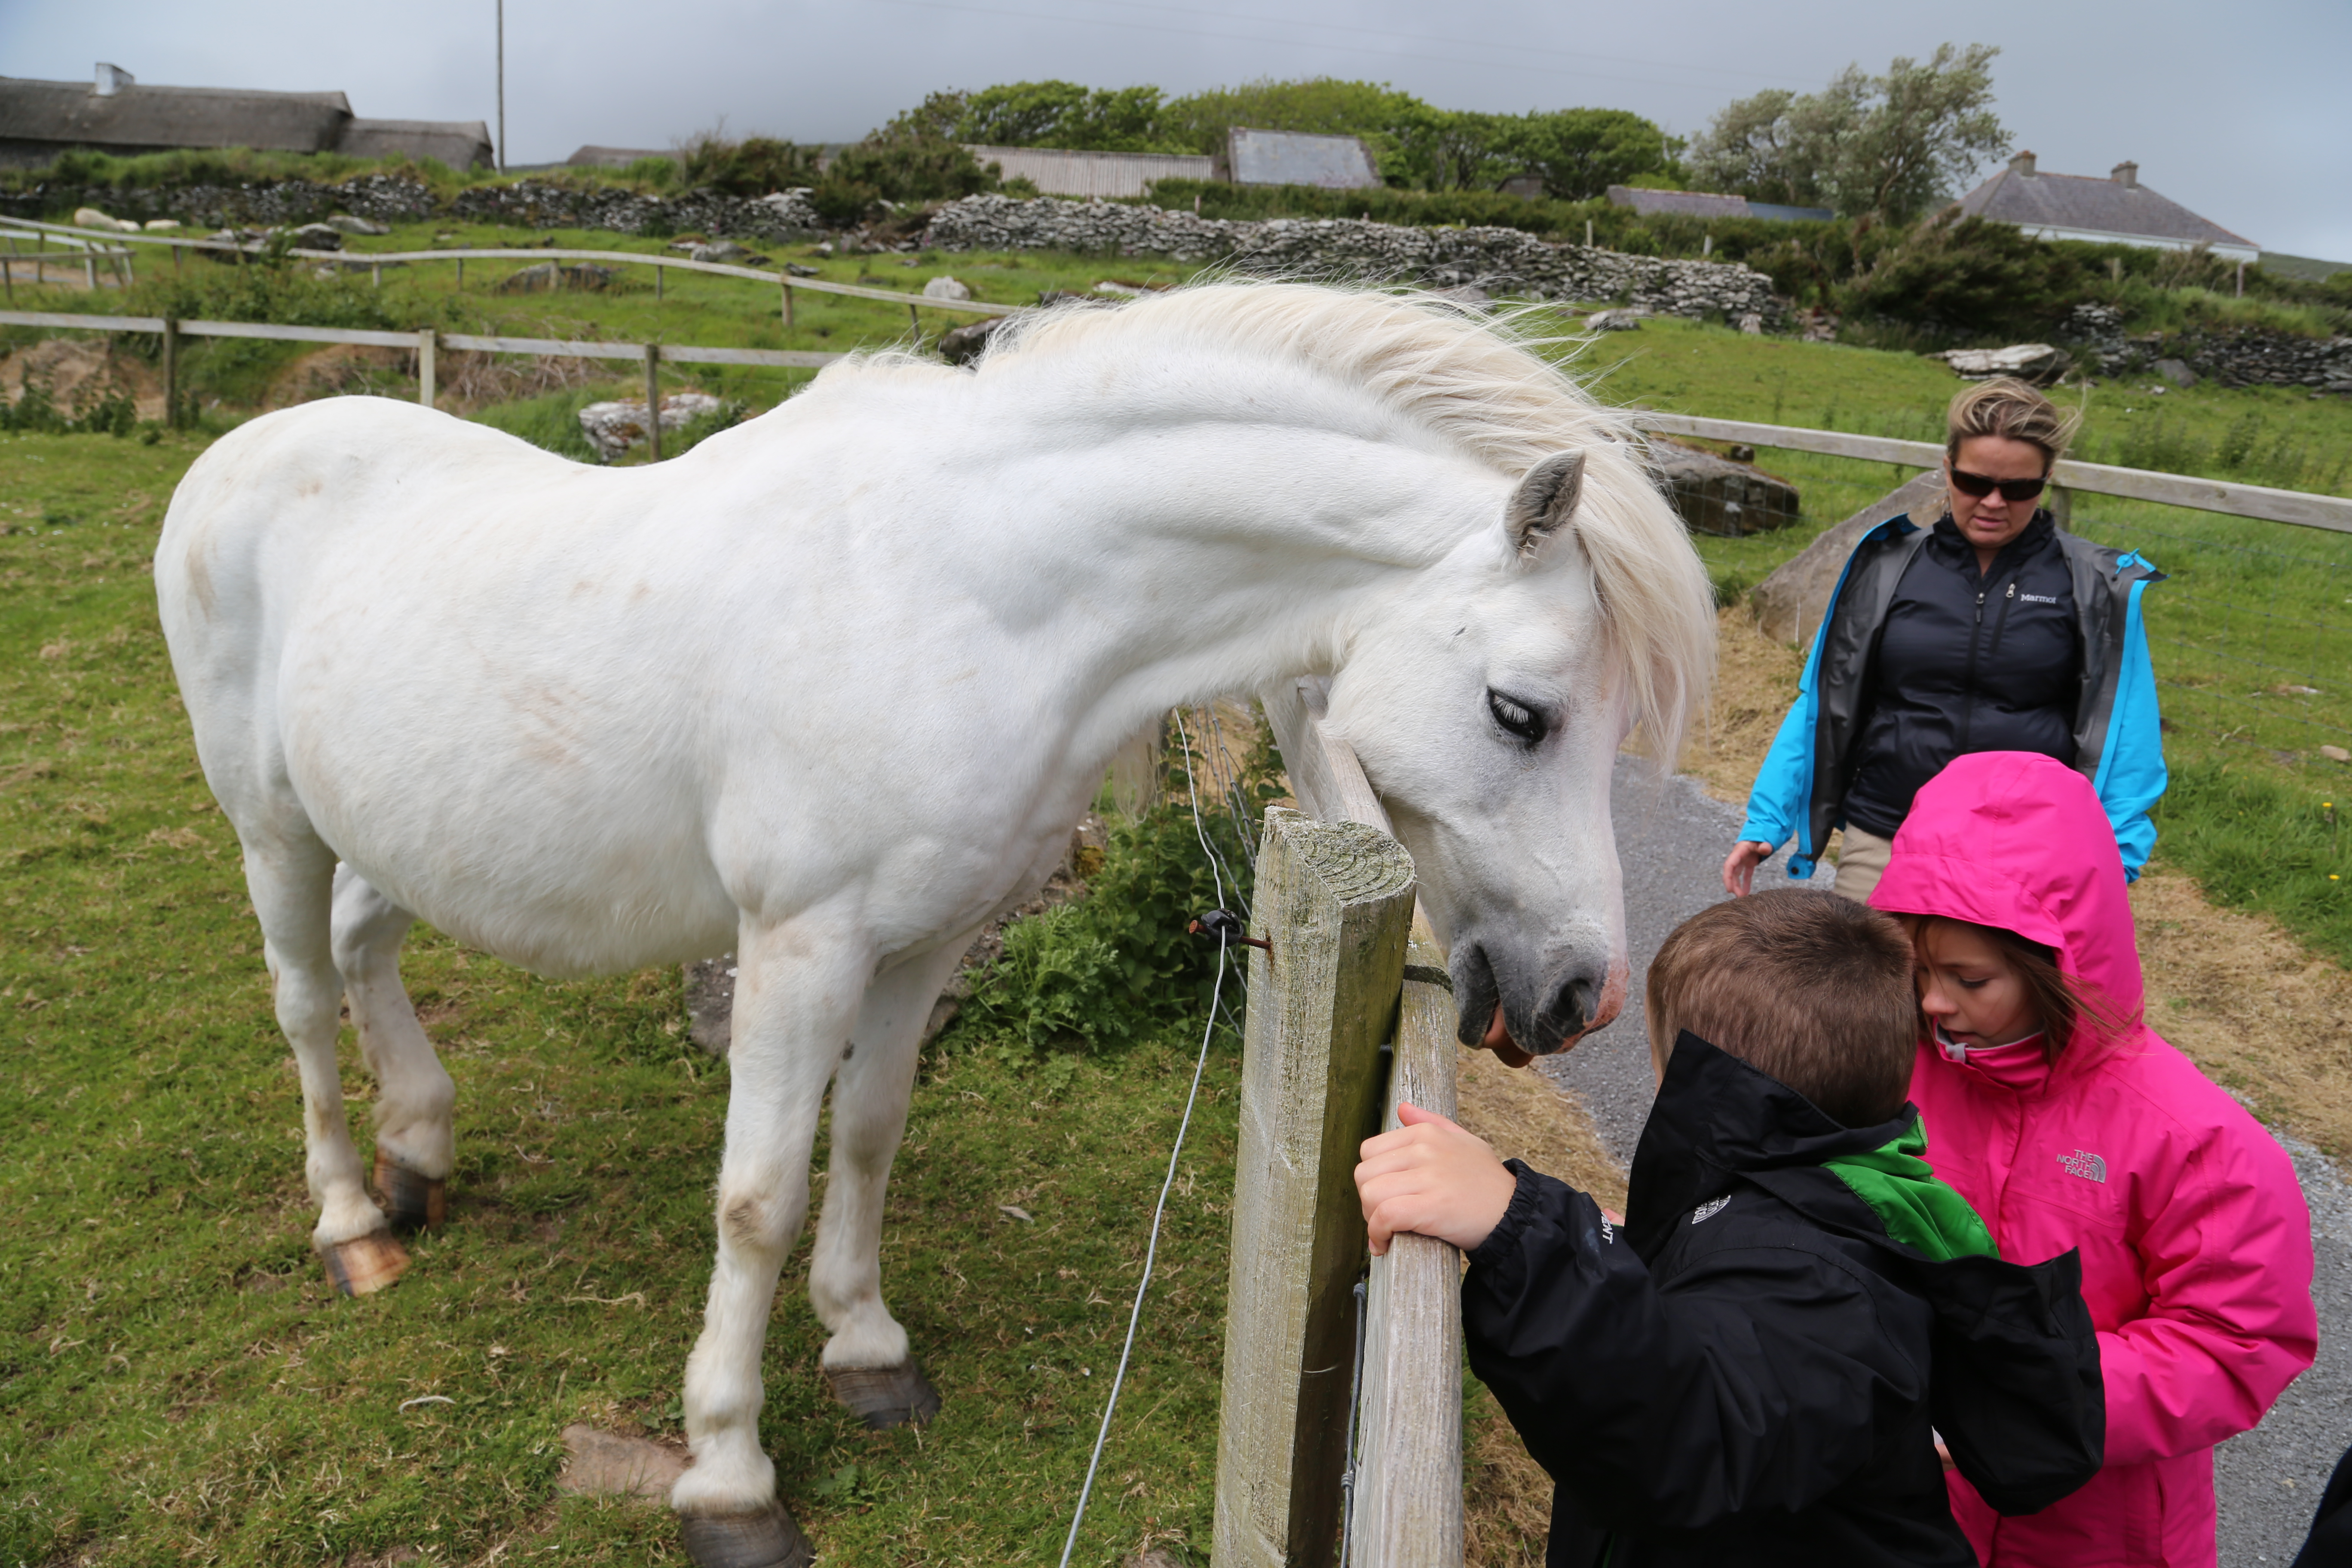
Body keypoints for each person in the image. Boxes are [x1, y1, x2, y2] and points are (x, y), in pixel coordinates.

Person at [1354, 889, 2103, 1567]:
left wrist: (1527, 1228)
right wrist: (1638, 1256)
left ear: (1696, 1081)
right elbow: (1726, 1322)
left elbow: (1688, 1434)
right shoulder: (1825, 1202)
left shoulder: (1820, 1281)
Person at [1870, 750, 2318, 1567]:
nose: (1935, 1003)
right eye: (1920, 970)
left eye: (1969, 978)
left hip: (2099, 1531)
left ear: (2053, 965)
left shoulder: (2192, 1138)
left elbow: (2235, 1339)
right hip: (1916, 1508)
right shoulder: (1898, 1070)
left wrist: (2024, 1396)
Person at [1724, 377, 2165, 903]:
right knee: (1872, 986)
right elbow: (1822, 701)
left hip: (2025, 855)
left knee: (1987, 988)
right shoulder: (1886, 566)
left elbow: (2129, 730)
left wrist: (2116, 857)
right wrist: (1767, 820)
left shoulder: (2094, 585)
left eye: (2019, 488)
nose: (1994, 502)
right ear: (1948, 467)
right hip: (1886, 835)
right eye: (1975, 482)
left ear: (2046, 482)